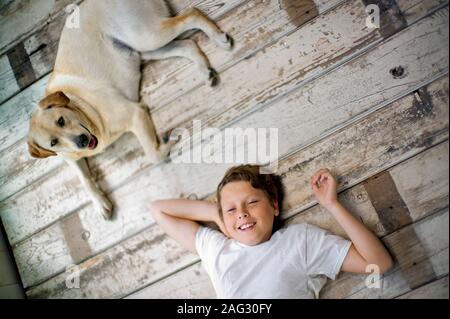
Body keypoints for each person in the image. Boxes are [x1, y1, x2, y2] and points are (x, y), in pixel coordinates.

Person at [150, 165, 393, 298]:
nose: (242, 214)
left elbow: (378, 264)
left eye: (252, 203)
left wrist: (332, 205)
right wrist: (214, 212)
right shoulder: (217, 249)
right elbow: (159, 210)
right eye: (232, 209)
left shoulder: (299, 241)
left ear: (274, 205)